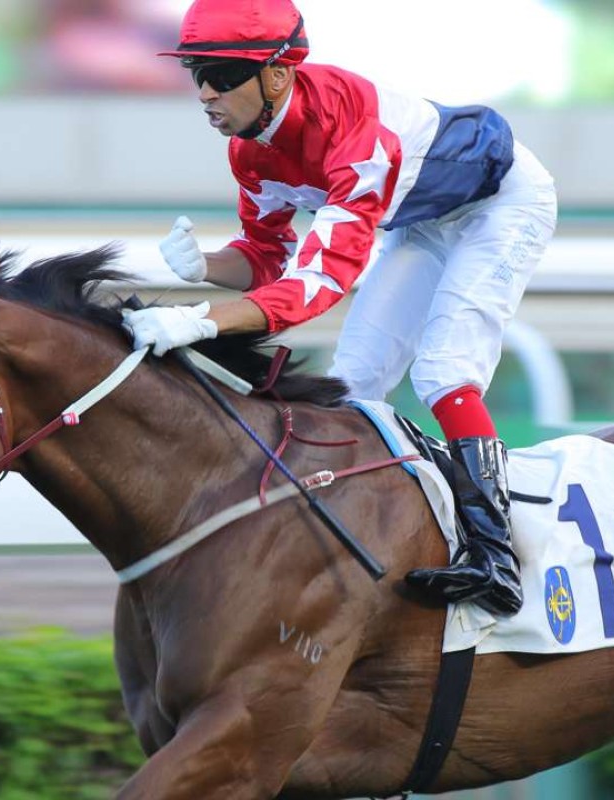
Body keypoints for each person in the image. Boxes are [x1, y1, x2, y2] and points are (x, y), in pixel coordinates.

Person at [122, 0, 557, 617]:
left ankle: (498, 559)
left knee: (444, 372)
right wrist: (206, 269)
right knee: (351, 383)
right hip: (425, 221)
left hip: (504, 204)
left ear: (277, 74)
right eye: (196, 71)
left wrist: (200, 319)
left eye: (220, 73)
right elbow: (268, 257)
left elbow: (315, 285)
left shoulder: (356, 134)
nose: (204, 93)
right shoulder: (250, 150)